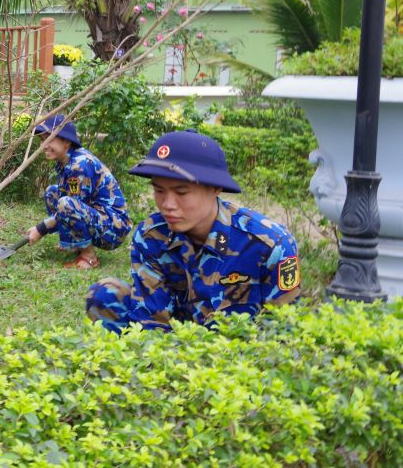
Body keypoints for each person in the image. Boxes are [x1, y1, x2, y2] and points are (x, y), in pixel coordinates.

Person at [87, 129, 301, 333]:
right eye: (159, 190)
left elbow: (284, 332)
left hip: (240, 348)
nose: (167, 204)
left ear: (215, 188)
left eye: (181, 192)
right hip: (175, 341)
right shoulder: (151, 236)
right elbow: (152, 321)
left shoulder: (269, 244)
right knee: (105, 294)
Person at [27, 115, 132, 269]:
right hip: (99, 216)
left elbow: (71, 207)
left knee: (66, 203)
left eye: (49, 139)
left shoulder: (79, 165)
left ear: (67, 142)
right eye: (42, 140)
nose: (44, 145)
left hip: (114, 227)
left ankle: (89, 258)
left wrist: (40, 229)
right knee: (52, 193)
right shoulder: (67, 160)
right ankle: (75, 244)